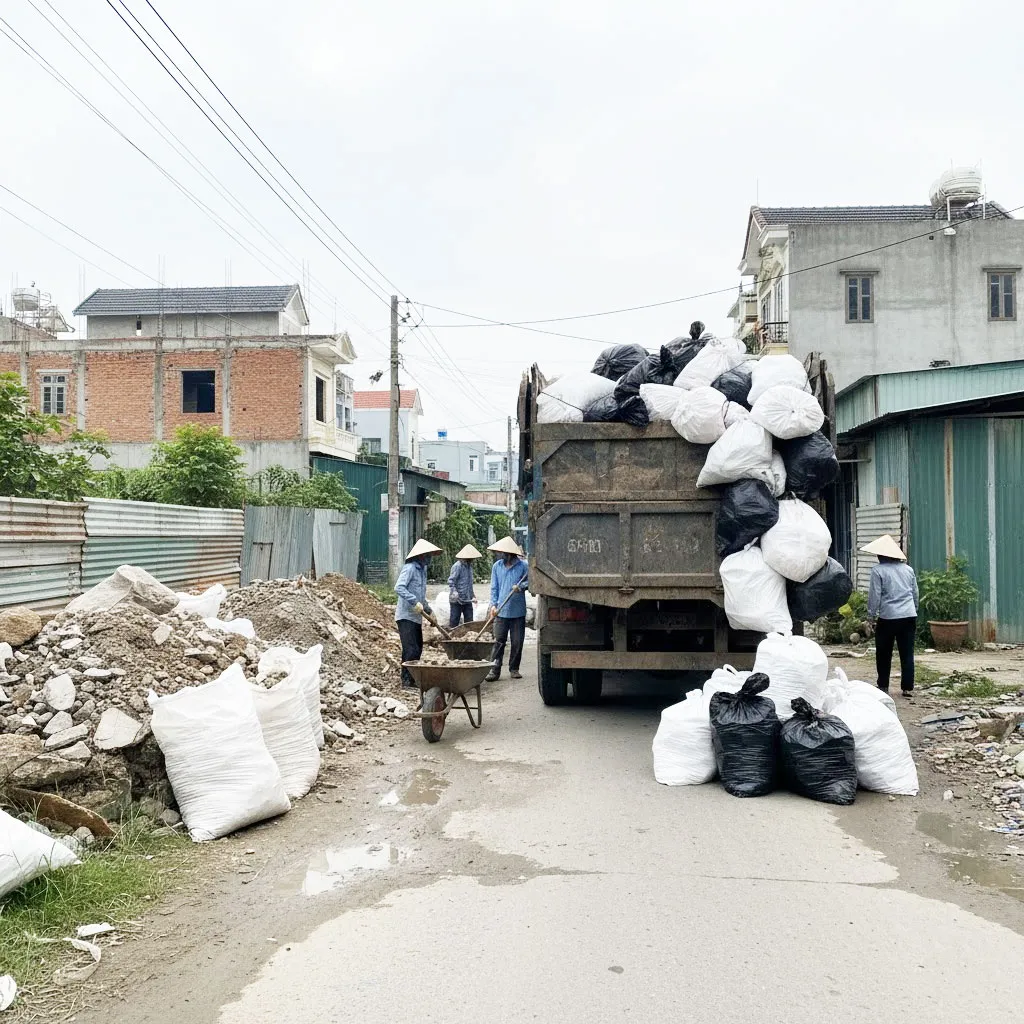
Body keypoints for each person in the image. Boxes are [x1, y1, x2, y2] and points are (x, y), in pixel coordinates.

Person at [863, 534, 919, 699]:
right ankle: (908, 688)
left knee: (884, 652)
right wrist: (914, 609)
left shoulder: (878, 571)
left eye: (878, 555)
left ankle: (883, 685)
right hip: (909, 616)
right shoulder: (908, 570)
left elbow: (875, 596)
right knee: (907, 652)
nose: (877, 557)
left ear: (882, 555)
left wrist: (871, 617)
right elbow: (915, 592)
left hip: (888, 617)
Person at [394, 538, 442, 689]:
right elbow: (399, 587)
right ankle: (406, 681)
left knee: (418, 648)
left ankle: (412, 679)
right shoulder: (410, 568)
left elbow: (421, 596)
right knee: (411, 649)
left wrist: (429, 611)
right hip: (405, 616)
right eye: (428, 555)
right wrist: (414, 602)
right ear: (421, 555)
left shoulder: (423, 571)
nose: (430, 559)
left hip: (416, 617)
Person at [485, 536, 529, 682]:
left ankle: (514, 668)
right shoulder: (497, 566)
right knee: (498, 642)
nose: (500, 555)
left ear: (510, 553)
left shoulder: (523, 566)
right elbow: (494, 588)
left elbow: (531, 581)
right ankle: (494, 670)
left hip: (517, 611)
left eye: (502, 552)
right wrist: (493, 605)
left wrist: (521, 587)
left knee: (517, 642)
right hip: (501, 611)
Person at [447, 544, 481, 627]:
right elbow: (451, 581)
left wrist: (473, 596)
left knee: (469, 622)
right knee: (454, 621)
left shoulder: (469, 567)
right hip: (456, 600)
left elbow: (469, 584)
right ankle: (452, 638)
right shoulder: (457, 566)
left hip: (467, 600)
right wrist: (454, 592)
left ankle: (468, 637)